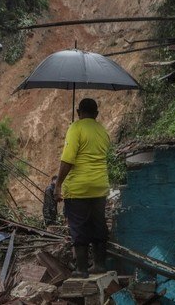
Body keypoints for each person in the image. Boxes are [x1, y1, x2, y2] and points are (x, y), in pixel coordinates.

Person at [54, 98, 110, 278]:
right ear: (97, 114)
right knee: (98, 224)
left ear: (78, 112)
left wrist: (58, 184)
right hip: (100, 186)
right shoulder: (102, 130)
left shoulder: (75, 128)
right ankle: (100, 265)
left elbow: (68, 159)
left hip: (79, 188)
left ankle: (82, 269)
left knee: (79, 226)